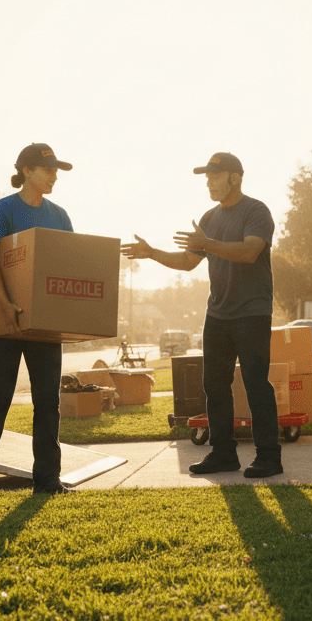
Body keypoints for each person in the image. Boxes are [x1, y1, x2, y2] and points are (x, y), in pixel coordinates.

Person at [121, 152, 282, 478]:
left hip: (252, 311)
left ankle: (269, 456)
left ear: (235, 177)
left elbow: (250, 252)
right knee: (214, 385)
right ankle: (223, 454)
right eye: (205, 176)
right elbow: (187, 261)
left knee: (255, 384)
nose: (208, 181)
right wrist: (151, 253)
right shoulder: (209, 218)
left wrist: (208, 244)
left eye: (214, 175)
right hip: (218, 314)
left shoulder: (256, 211)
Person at [0, 143, 76, 499]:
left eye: (57, 171)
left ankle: (47, 480)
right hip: (2, 319)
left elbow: (67, 266)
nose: (54, 176)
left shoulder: (60, 216)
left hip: (44, 324)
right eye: (48, 169)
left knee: (47, 401)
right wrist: (7, 304)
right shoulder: (3, 209)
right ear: (27, 171)